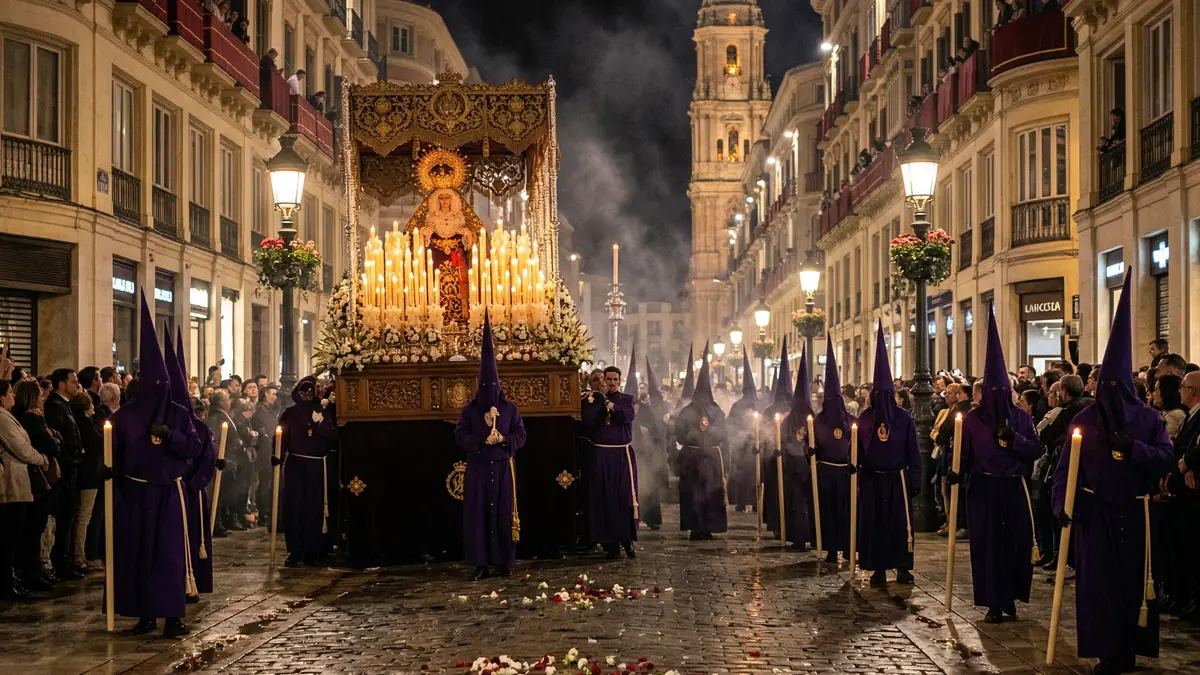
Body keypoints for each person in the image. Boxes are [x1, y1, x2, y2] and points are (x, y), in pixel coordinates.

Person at [1052, 272, 1174, 675]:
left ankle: (1130, 648)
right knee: (1100, 586)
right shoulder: (1085, 420)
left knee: (1131, 585)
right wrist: (1062, 505)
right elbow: (1065, 468)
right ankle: (1107, 649)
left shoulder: (1149, 421)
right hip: (1095, 514)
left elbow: (1164, 458)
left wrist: (1132, 449)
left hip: (1136, 515)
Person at [110, 292, 204, 637]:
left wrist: (171, 437)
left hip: (167, 495)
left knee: (168, 556)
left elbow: (193, 446)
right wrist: (110, 475)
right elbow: (116, 454)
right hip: (135, 495)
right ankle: (144, 615)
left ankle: (172, 616)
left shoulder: (178, 415)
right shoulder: (125, 418)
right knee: (138, 555)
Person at [947, 307, 1042, 623]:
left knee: (1014, 545)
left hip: (1014, 487)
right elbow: (962, 452)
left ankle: (1011, 596)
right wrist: (956, 468)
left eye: (1007, 392)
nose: (1003, 397)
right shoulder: (973, 420)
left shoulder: (1022, 418)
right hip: (984, 489)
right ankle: (993, 601)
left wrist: (1014, 438)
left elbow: (1036, 448)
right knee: (987, 546)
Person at [455, 314, 526, 579]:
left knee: (504, 512)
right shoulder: (470, 410)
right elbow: (460, 434)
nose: (489, 391)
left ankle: (504, 561)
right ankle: (481, 562)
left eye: (492, 387)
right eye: (485, 387)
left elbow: (521, 433)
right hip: (479, 467)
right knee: (479, 513)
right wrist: (481, 441)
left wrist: (505, 440)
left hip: (503, 466)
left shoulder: (509, 409)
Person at [856, 323, 922, 587]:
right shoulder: (864, 419)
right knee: (875, 525)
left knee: (900, 525)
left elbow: (913, 453)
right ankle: (878, 567)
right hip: (872, 479)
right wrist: (855, 467)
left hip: (898, 480)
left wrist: (914, 481)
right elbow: (858, 449)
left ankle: (903, 567)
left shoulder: (904, 419)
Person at [170, 329, 215, 602]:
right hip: (171, 490)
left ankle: (193, 580)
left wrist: (194, 483)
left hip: (191, 490)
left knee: (193, 535)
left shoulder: (196, 425)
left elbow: (204, 454)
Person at [581, 357, 639, 560]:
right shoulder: (592, 399)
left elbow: (626, 416)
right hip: (601, 455)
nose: (612, 383)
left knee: (623, 498)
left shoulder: (627, 399)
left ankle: (627, 540)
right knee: (604, 498)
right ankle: (609, 544)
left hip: (621, 455)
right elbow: (587, 424)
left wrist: (607, 403)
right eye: (608, 379)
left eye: (615, 379)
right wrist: (595, 401)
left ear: (619, 381)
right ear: (603, 380)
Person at [278, 375, 337, 566]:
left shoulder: (322, 411)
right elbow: (281, 436)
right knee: (294, 507)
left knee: (314, 508)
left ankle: (312, 549)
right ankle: (295, 550)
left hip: (316, 466)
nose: (305, 395)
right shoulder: (290, 413)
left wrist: (320, 423)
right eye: (302, 391)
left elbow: (332, 436)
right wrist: (277, 454)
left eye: (309, 391)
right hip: (296, 464)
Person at [0, 380, 51, 601]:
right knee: (10, 536)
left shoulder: (8, 415)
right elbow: (19, 447)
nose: (13, 396)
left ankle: (12, 578)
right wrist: (41, 459)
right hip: (11, 480)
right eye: (10, 393)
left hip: (20, 478)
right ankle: (6, 582)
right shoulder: (2, 418)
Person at [674, 346, 728, 541]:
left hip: (711, 459)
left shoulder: (716, 411)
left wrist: (711, 433)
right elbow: (678, 434)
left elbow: (724, 432)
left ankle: (708, 526)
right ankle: (696, 527)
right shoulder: (687, 410)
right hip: (692, 459)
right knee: (693, 493)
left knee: (710, 493)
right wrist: (691, 436)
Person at [812, 341, 853, 564]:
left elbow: (858, 442)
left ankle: (847, 548)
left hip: (846, 473)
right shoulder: (818, 422)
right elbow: (811, 443)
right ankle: (830, 549)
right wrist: (810, 450)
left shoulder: (850, 420)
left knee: (846, 512)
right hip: (826, 472)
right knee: (828, 512)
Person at [43, 367, 83, 581]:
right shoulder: (56, 407)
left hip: (71, 469)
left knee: (68, 517)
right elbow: (60, 438)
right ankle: (60, 562)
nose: (77, 385)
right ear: (61, 384)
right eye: (73, 381)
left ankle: (65, 560)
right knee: (63, 517)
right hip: (63, 471)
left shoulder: (65, 406)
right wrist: (71, 458)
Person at [778, 348, 815, 550]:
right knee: (800, 503)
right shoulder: (809, 419)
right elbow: (783, 442)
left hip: (801, 467)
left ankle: (801, 536)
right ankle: (803, 536)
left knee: (799, 503)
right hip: (800, 467)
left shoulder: (790, 420)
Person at [761, 338, 793, 540]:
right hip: (774, 457)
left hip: (791, 458)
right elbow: (763, 432)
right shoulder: (770, 410)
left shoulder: (797, 411)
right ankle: (776, 523)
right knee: (776, 492)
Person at [68, 391, 101, 574]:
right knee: (83, 517)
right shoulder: (86, 424)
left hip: (84, 474)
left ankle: (79, 554)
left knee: (81, 516)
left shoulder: (79, 421)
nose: (94, 409)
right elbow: (96, 443)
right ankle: (79, 555)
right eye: (91, 405)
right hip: (88, 475)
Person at [726, 348, 760, 512]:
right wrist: (744, 435)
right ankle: (741, 502)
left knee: (756, 475)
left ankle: (754, 502)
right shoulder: (737, 406)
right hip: (742, 446)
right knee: (742, 475)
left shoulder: (760, 405)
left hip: (758, 445)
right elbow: (730, 425)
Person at [636, 359, 669, 530]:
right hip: (633, 453)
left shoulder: (649, 409)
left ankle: (652, 518)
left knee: (649, 486)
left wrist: (647, 432)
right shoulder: (629, 408)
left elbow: (658, 432)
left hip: (648, 455)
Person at [1153, 374, 1188, 440]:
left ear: (1165, 392)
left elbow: (1161, 440)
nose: (1153, 394)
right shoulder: (1167, 412)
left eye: (1156, 389)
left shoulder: (1175, 414)